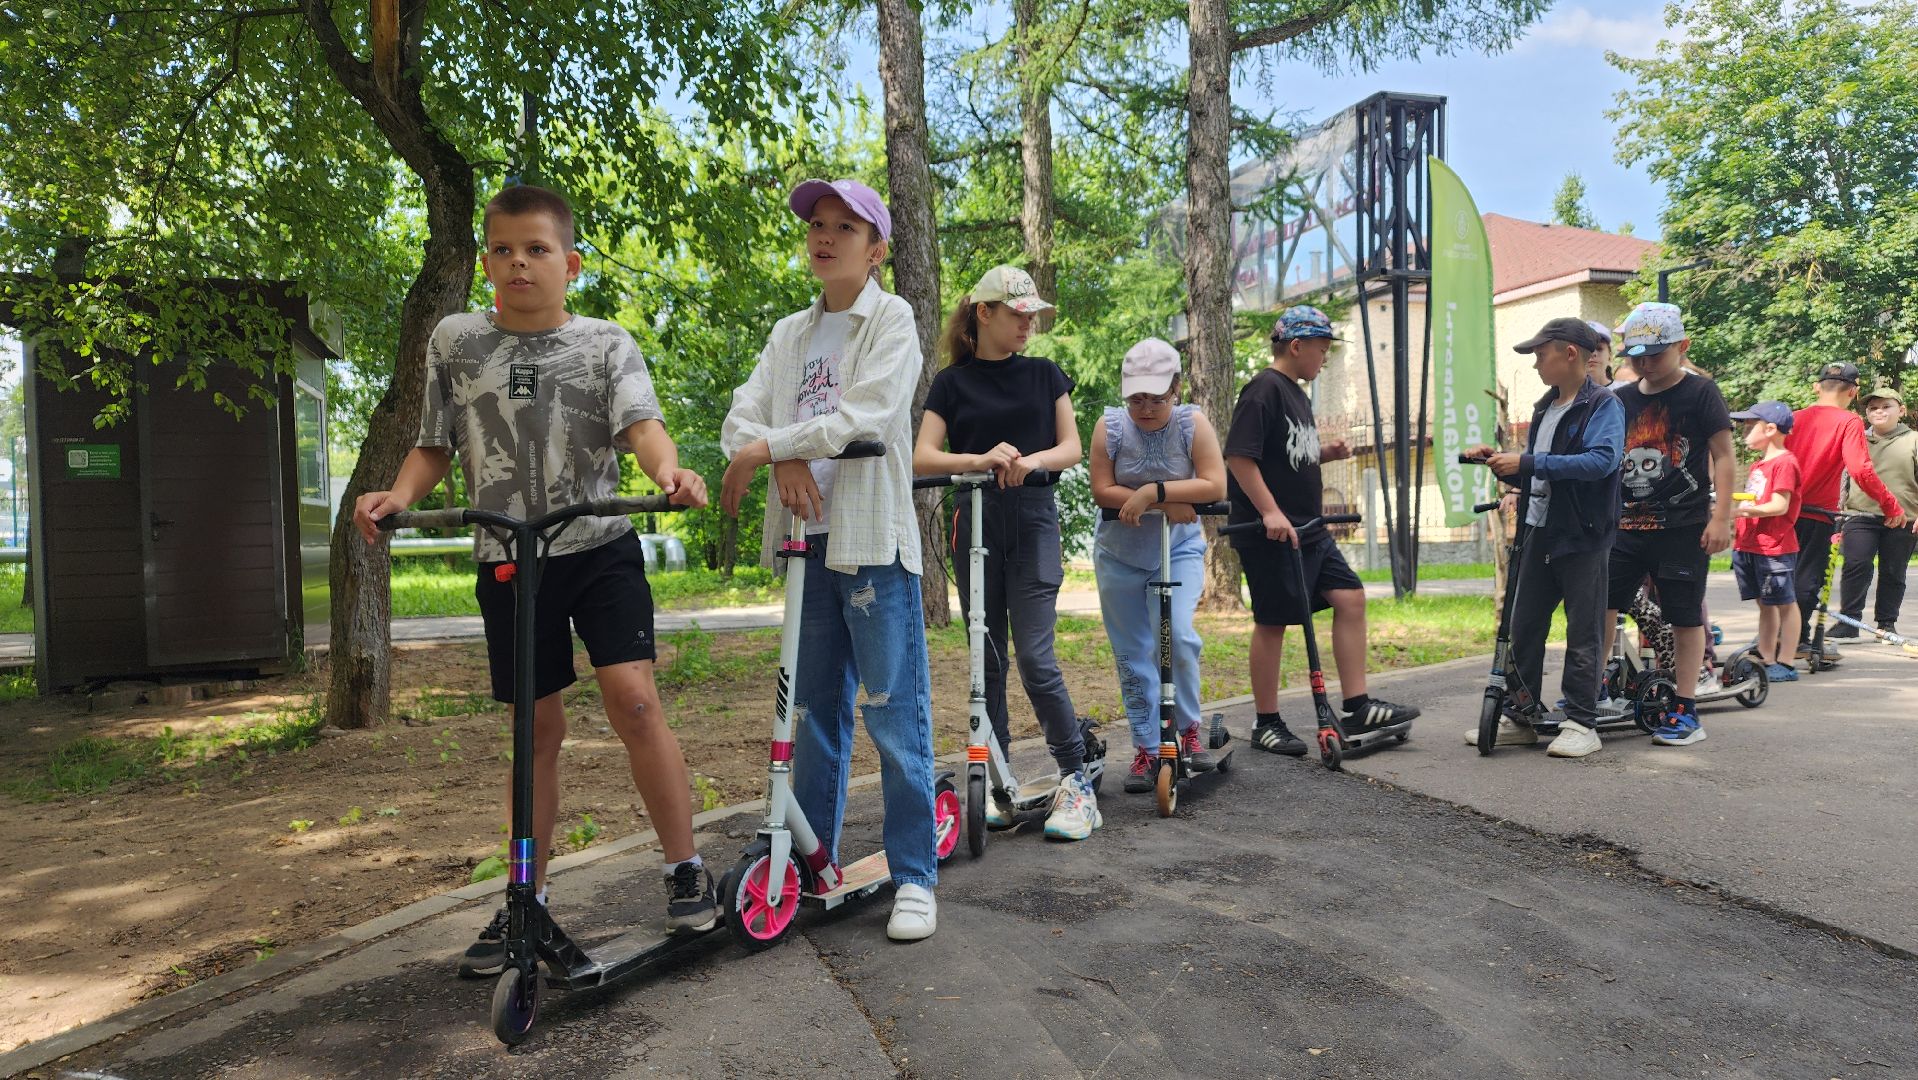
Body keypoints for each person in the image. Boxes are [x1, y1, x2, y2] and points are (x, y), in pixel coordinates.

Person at [353, 184, 715, 977]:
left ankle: (685, 869)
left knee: (635, 699)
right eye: (503, 249)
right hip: (511, 559)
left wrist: (670, 471)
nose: (519, 262)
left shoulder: (604, 343)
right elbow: (432, 444)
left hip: (598, 549)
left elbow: (641, 427)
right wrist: (398, 494)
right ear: (486, 261)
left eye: (537, 249)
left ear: (571, 264)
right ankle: (528, 896)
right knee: (534, 732)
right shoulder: (456, 341)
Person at [718, 178, 941, 942]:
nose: (825, 236)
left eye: (846, 227)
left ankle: (915, 875)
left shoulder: (892, 319)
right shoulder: (789, 333)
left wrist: (775, 448)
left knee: (893, 715)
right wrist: (773, 455)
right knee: (810, 714)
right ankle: (813, 865)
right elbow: (741, 418)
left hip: (871, 542)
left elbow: (867, 416)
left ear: (876, 249)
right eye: (817, 224)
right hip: (804, 544)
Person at [914, 264, 1095, 840]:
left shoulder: (1046, 375)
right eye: (1016, 313)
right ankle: (999, 783)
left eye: (1032, 314)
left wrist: (1028, 462)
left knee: (1036, 659)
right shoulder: (951, 383)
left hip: (1035, 522)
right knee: (984, 661)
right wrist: (981, 460)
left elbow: (1070, 447)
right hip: (975, 524)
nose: (1027, 323)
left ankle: (1076, 782)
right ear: (983, 313)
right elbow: (923, 457)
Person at [1224, 305, 1420, 755]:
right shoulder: (1263, 390)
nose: (1325, 358)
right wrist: (1271, 513)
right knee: (1273, 623)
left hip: (1310, 529)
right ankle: (1266, 721)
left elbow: (1283, 455)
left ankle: (1357, 704)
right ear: (1296, 346)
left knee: (1350, 597)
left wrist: (1324, 454)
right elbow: (1240, 456)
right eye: (1321, 348)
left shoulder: (1296, 393)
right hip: (1270, 531)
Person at [1466, 318, 1623, 757]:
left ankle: (1581, 722)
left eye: (1541, 353)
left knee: (1583, 630)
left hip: (1583, 534)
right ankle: (1521, 716)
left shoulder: (1604, 405)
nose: (1536, 363)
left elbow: (1600, 463)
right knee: (1524, 624)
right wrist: (1502, 462)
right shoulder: (1544, 405)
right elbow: (1537, 469)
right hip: (1538, 528)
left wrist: (1529, 463)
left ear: (1569, 353)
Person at [1089, 338, 1229, 789]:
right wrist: (1163, 500)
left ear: (1176, 389)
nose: (1145, 408)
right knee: (1133, 653)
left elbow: (1214, 484)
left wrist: (1157, 493)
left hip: (1179, 549)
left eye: (1156, 397)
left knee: (1178, 638)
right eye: (1136, 398)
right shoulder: (1110, 428)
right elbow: (1102, 489)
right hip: (1119, 555)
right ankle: (1148, 746)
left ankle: (1187, 730)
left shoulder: (1192, 424)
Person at [1599, 302, 1734, 748]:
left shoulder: (1701, 393)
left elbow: (1724, 456)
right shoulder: (1620, 398)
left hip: (1683, 526)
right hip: (1625, 526)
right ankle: (1594, 691)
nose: (1644, 363)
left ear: (1682, 346)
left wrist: (1721, 517)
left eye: (1655, 353)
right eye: (1635, 354)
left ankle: (1685, 708)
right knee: (1602, 604)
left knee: (1683, 616)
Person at [1785, 362, 1906, 657]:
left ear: (1816, 386)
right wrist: (1891, 505)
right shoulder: (1848, 422)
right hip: (1817, 513)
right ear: (1854, 391)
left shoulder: (1793, 418)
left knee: (1783, 575)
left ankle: (1778, 637)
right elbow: (1860, 469)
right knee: (1806, 579)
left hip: (1783, 509)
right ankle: (1796, 641)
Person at [1832, 387, 1918, 640]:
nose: (1879, 411)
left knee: (1893, 571)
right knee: (1856, 565)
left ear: (1901, 410)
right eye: (1873, 408)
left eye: (1885, 406)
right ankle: (1849, 621)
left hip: (1903, 516)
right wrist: (1839, 512)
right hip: (1860, 514)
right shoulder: (1857, 438)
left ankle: (1886, 623)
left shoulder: (1913, 439)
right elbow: (1844, 477)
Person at [1729, 402, 1804, 680]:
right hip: (1750, 544)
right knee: (1765, 603)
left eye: (1750, 426)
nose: (1744, 432)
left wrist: (1741, 510)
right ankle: (1766, 655)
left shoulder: (1784, 462)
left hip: (1774, 546)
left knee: (1785, 603)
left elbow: (1779, 505)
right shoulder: (1760, 464)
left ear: (1770, 429)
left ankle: (1785, 663)